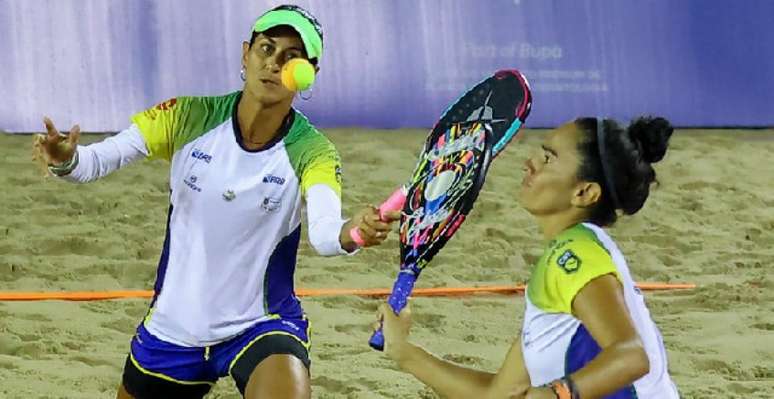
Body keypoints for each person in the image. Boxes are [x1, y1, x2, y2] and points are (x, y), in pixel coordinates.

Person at [34, 5, 399, 399]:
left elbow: (327, 236)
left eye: (291, 56)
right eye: (266, 48)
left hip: (261, 323)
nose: (274, 63)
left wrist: (356, 232)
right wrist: (65, 159)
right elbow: (94, 162)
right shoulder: (188, 116)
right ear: (246, 54)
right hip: (174, 328)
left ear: (310, 73)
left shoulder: (314, 151)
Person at [377, 116, 681, 398]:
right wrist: (403, 351)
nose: (529, 163)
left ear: (584, 193)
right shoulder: (564, 260)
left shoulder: (574, 254)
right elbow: (498, 394)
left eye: (548, 158)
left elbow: (631, 355)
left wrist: (557, 394)